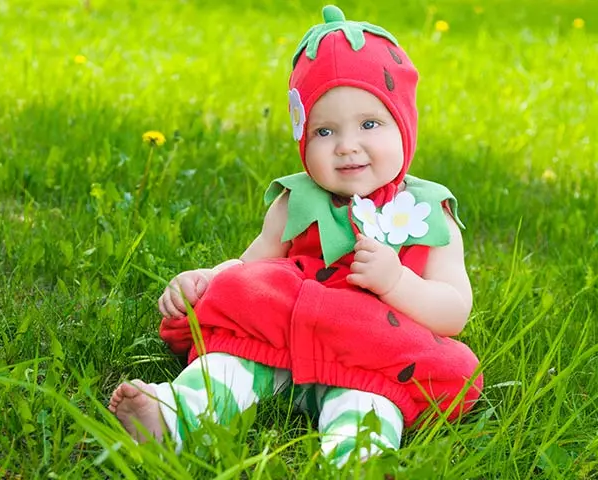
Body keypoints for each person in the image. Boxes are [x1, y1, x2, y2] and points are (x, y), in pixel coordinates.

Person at [109, 5, 483, 468]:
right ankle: (173, 417)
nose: (347, 145)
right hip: (276, 343)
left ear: (404, 124)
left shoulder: (430, 213)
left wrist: (396, 283)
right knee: (226, 365)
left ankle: (355, 462)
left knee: (368, 409)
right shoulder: (294, 200)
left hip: (369, 360)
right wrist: (207, 278)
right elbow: (251, 267)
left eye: (369, 123)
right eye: (325, 130)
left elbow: (453, 311)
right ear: (303, 135)